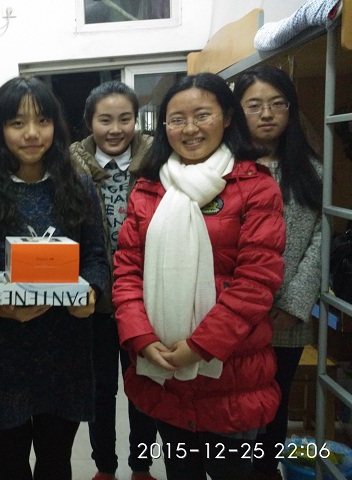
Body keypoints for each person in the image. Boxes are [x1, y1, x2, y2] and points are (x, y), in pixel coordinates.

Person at [112, 72, 286, 480]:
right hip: (164, 371)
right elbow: (126, 271)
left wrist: (199, 346)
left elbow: (256, 283)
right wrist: (141, 338)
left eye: (202, 115)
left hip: (232, 376)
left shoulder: (256, 187)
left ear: (227, 117)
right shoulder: (148, 189)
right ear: (164, 126)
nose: (189, 129)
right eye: (177, 119)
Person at [0, 76, 110, 480]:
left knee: (56, 461)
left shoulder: (78, 186)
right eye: (17, 123)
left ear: (56, 126)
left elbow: (96, 257)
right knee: (11, 461)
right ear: (0, 130)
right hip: (2, 353)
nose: (32, 133)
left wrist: (91, 291)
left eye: (42, 121)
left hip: (65, 349)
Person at [234, 65, 323, 480]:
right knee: (233, 406)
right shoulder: (222, 169)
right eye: (254, 105)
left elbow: (320, 242)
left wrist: (292, 305)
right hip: (233, 316)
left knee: (275, 402)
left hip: (286, 317)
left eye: (277, 104)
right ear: (237, 112)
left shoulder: (312, 171)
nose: (267, 113)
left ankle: (266, 471)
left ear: (291, 109)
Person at [69, 81, 158, 480]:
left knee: (144, 389)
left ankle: (142, 467)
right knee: (100, 391)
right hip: (95, 303)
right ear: (90, 122)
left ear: (136, 120)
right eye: (105, 120)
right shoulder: (70, 168)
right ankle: (104, 467)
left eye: (125, 119)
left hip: (145, 300)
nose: (116, 129)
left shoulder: (157, 162)